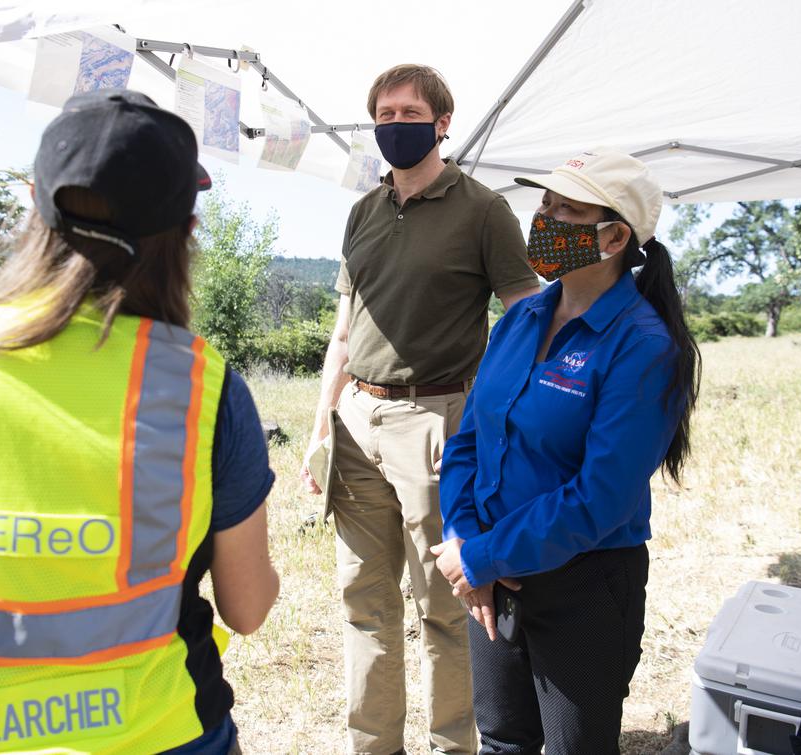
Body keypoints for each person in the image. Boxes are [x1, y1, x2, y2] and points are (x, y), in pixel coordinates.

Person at [0, 89, 278, 754]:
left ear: (34, 209)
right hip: (166, 731)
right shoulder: (203, 385)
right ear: (183, 234)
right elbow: (249, 606)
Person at [300, 64, 541, 754]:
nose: (394, 123)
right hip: (356, 421)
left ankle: (450, 747)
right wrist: (321, 429)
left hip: (437, 422)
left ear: (442, 122)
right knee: (364, 605)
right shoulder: (363, 212)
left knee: (445, 606)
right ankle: (373, 746)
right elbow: (344, 330)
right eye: (383, 112)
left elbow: (525, 311)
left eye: (409, 112)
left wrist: (507, 419)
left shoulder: (482, 208)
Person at [432, 150, 702, 753]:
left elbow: (600, 498)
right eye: (546, 203)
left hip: (584, 583)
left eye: (566, 209)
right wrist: (462, 536)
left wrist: (483, 557)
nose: (544, 217)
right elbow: (471, 440)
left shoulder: (643, 346)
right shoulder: (521, 317)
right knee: (502, 738)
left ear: (612, 237)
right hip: (491, 569)